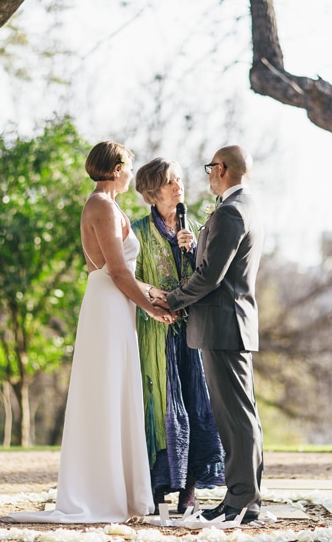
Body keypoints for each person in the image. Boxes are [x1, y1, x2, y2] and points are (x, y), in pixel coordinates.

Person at [2, 141, 173, 524]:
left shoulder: (110, 206)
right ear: (115, 169)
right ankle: (100, 492)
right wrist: (151, 308)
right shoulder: (100, 205)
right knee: (106, 391)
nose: (131, 172)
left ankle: (121, 492)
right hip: (108, 305)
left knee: (118, 390)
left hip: (117, 303)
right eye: (128, 166)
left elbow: (126, 274)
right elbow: (115, 271)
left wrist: (159, 296)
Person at [151, 145, 264, 524]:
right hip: (230, 323)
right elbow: (221, 264)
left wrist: (173, 299)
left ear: (223, 168)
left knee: (235, 416)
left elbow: (213, 276)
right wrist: (196, 248)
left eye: (210, 168)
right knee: (241, 414)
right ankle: (244, 497)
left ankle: (242, 500)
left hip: (223, 324)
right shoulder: (246, 205)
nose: (208, 174)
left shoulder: (231, 210)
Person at [131, 158, 224, 513]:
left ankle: (189, 492)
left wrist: (195, 249)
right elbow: (128, 278)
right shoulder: (138, 232)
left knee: (194, 404)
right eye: (170, 182)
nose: (178, 187)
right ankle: (155, 490)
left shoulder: (194, 229)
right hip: (155, 331)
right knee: (160, 406)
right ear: (154, 192)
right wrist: (155, 297)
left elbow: (209, 277)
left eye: (180, 180)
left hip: (192, 334)